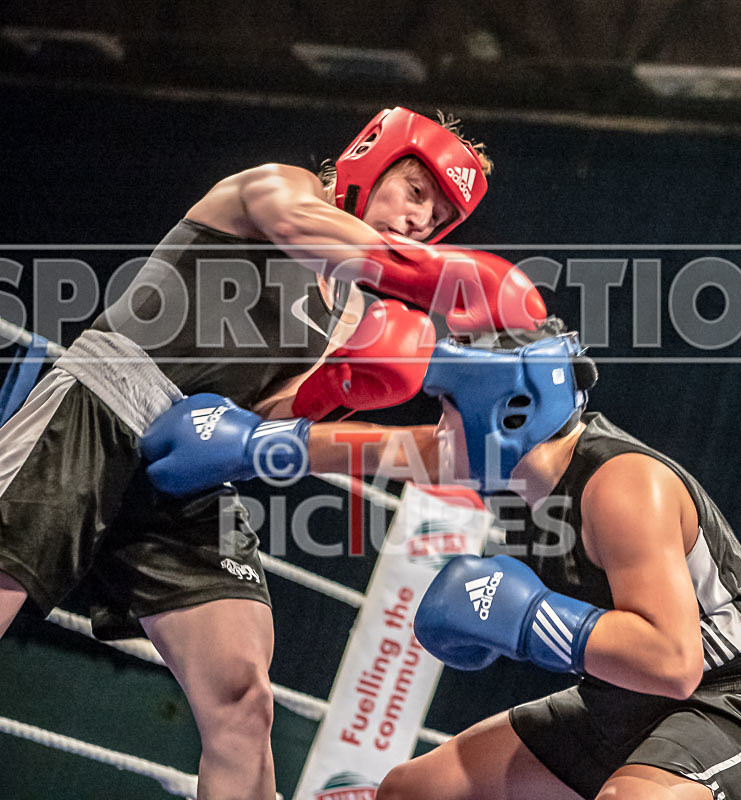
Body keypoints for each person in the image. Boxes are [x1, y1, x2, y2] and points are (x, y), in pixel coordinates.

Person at [0, 106, 546, 800]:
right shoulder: (276, 191)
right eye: (414, 190)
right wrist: (447, 278)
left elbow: (257, 423)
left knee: (243, 701)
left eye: (435, 219)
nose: (417, 221)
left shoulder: (351, 312)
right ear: (371, 160)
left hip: (187, 467)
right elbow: (303, 229)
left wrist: (334, 389)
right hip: (99, 409)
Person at [145, 320, 741, 800]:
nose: (440, 423)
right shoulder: (511, 463)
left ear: (506, 412)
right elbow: (379, 449)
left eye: (451, 406)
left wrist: (528, 617)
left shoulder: (626, 486)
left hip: (733, 708)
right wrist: (257, 442)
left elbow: (673, 663)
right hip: (620, 703)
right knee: (408, 793)